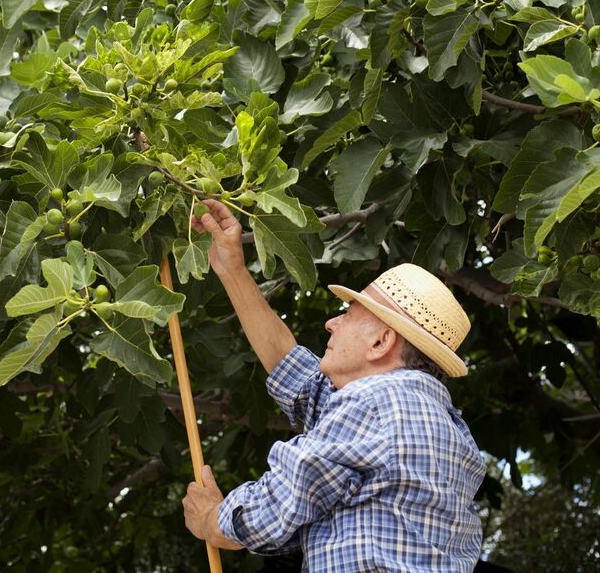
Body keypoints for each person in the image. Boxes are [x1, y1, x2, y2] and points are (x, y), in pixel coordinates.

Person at [181, 199, 486, 572]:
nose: (332, 323)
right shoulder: (444, 427)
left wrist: (212, 520)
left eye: (349, 315)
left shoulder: (375, 403)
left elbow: (277, 509)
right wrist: (232, 269)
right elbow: (291, 368)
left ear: (381, 342)